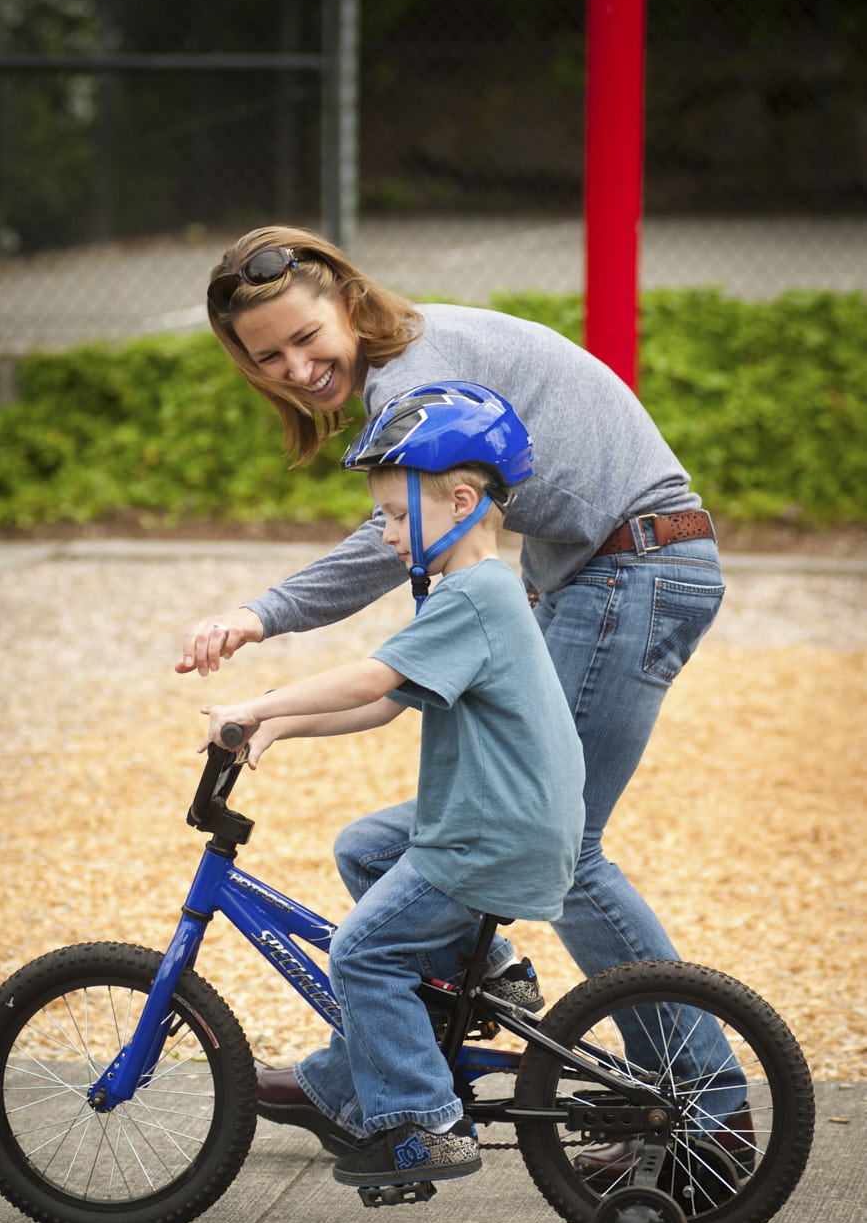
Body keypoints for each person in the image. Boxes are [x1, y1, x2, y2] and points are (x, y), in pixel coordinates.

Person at [179, 223, 738, 1162]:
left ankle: (707, 1114)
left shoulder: (413, 386)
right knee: (396, 839)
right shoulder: (407, 369)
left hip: (636, 564)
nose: (297, 366)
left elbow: (391, 544)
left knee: (567, 846)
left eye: (306, 337)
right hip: (599, 568)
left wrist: (260, 617)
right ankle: (425, 1031)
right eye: (266, 356)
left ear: (348, 303)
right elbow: (403, 655)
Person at [199, 384, 586, 1186]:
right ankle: (486, 972)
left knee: (362, 954)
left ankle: (426, 1123)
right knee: (367, 846)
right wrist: (280, 725)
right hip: (507, 817)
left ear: (463, 500)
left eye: (398, 516)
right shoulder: (479, 591)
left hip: (491, 831)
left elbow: (369, 675)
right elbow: (384, 702)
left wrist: (256, 701)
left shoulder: (474, 595)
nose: (386, 533)